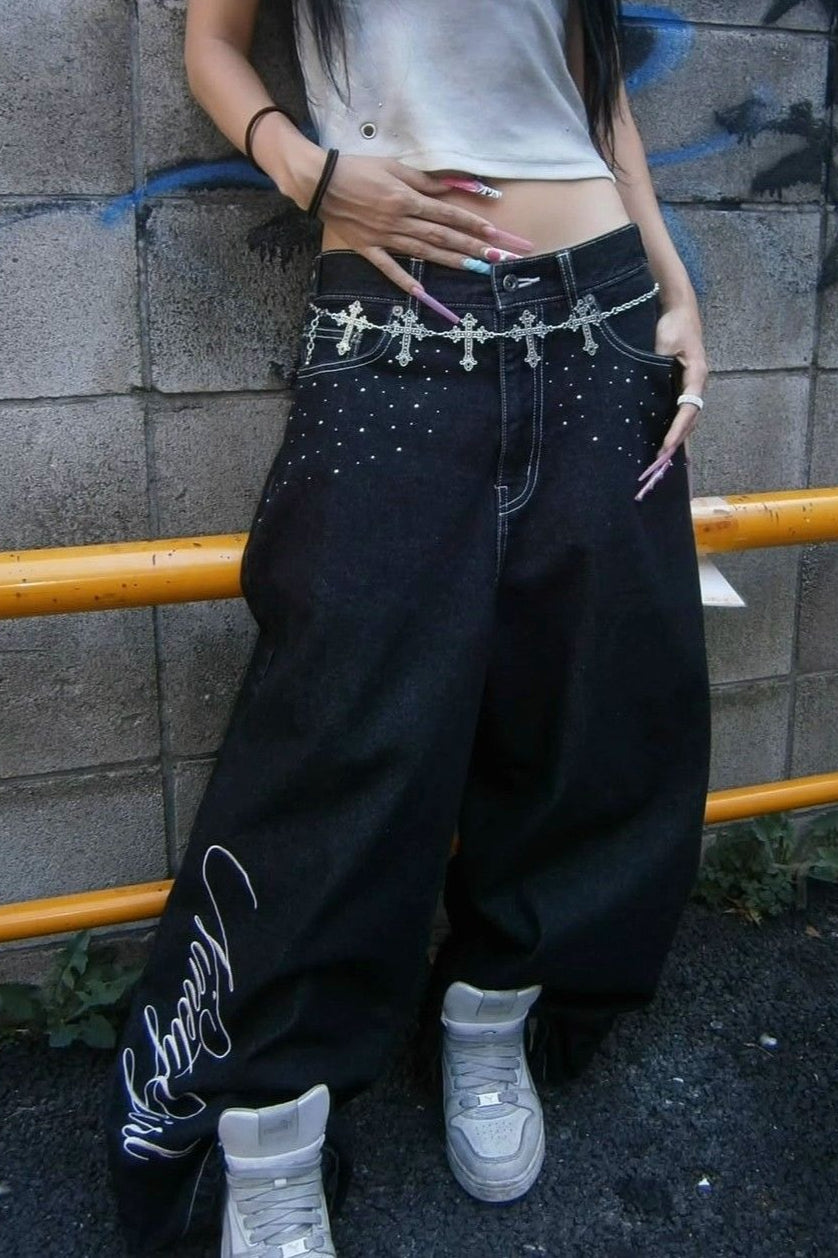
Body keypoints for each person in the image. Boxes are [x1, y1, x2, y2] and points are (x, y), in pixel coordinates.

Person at [105, 1, 712, 1254]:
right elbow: (213, 41)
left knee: (590, 701)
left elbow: (594, 89)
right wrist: (303, 167)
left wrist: (671, 280)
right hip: (396, 318)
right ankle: (266, 1118)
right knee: (337, 730)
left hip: (603, 313)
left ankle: (492, 1009)